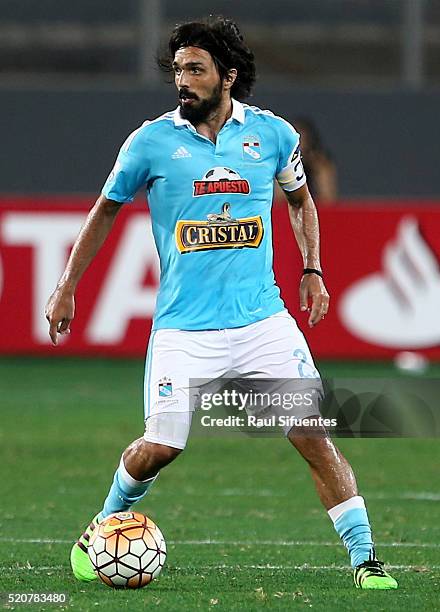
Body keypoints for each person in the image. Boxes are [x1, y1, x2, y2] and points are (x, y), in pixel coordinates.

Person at [45, 16, 397, 590]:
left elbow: (302, 202)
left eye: (196, 70)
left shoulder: (274, 136)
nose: (183, 81)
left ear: (228, 76)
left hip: (263, 321)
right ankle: (104, 525)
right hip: (185, 329)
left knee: (313, 436)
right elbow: (105, 209)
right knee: (159, 448)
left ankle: (366, 561)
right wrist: (66, 285)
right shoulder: (151, 141)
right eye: (179, 70)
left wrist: (312, 269)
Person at [293, 117, 338, 205]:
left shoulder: (321, 163)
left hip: (319, 211)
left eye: (301, 138)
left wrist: (316, 167)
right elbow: (279, 200)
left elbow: (328, 198)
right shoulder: (282, 162)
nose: (299, 142)